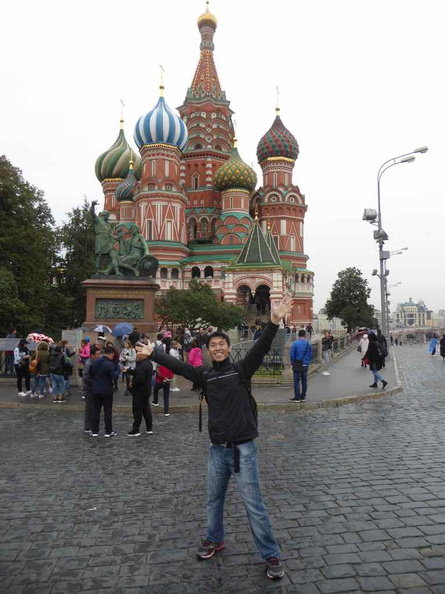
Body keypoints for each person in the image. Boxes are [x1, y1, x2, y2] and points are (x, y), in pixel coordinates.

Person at [136, 296, 293, 580]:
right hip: (217, 449)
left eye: (222, 345)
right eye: (213, 346)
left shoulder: (241, 370)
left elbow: (260, 347)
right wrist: (154, 353)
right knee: (213, 500)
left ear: (229, 349)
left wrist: (273, 320)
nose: (218, 348)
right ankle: (214, 538)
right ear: (208, 351)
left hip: (243, 448)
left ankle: (271, 555)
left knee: (254, 505)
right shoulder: (205, 375)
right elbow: (180, 367)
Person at [89, 346, 121, 437]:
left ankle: (94, 431)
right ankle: (108, 431)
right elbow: (114, 376)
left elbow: (91, 374)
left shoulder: (95, 362)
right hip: (106, 390)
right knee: (107, 411)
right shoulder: (109, 364)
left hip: (95, 389)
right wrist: (118, 371)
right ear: (111, 354)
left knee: (95, 410)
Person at [124, 349, 154, 436]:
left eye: (138, 354)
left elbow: (140, 378)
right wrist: (128, 370)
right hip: (146, 390)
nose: (137, 356)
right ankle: (149, 428)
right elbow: (138, 373)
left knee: (137, 410)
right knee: (146, 410)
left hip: (139, 391)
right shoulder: (148, 363)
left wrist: (132, 384)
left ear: (143, 355)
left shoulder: (142, 365)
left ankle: (136, 430)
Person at [289, 329, 313, 402]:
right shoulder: (308, 344)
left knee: (296, 381)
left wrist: (293, 362)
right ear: (305, 335)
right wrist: (307, 361)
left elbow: (292, 354)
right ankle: (303, 397)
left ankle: (297, 397)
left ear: (298, 335)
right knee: (304, 381)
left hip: (297, 364)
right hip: (305, 364)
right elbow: (310, 354)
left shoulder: (295, 343)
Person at [82, 346, 101, 434]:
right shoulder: (88, 364)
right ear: (92, 355)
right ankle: (87, 426)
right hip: (89, 388)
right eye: (97, 354)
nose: (99, 355)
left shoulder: (96, 362)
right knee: (89, 408)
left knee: (94, 407)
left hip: (95, 388)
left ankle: (92, 424)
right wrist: (95, 383)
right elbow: (86, 377)